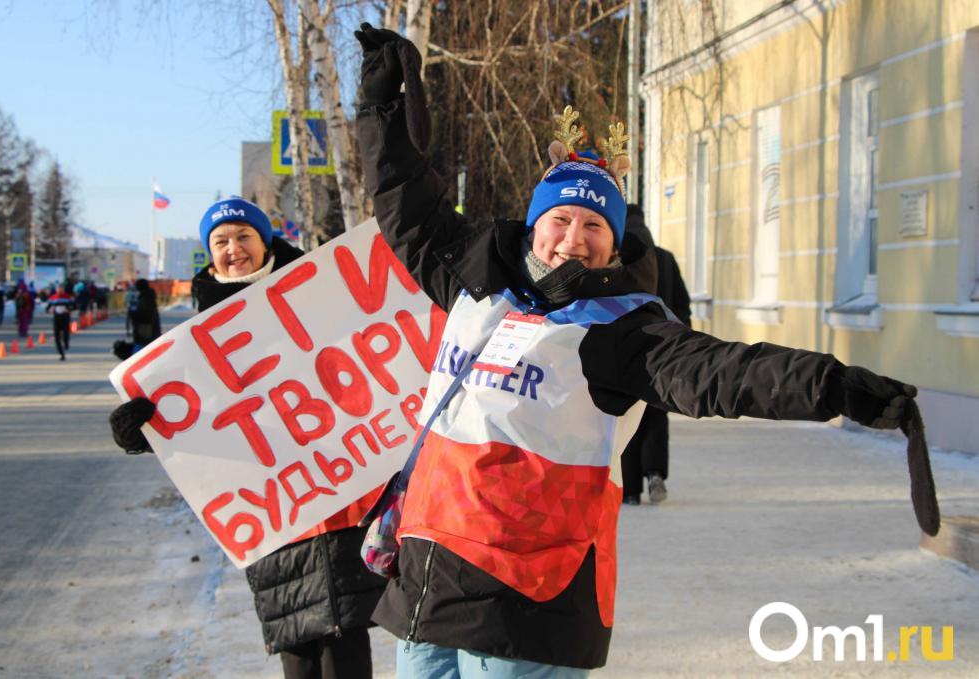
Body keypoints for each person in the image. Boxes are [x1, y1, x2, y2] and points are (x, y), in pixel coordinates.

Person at [353, 25, 926, 677]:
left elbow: (720, 372)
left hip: (524, 602)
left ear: (614, 244)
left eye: (595, 225)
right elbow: (405, 201)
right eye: (561, 219)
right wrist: (381, 106)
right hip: (426, 580)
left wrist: (832, 385)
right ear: (535, 224)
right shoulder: (477, 277)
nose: (574, 237)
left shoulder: (621, 328)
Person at [107, 197, 386, 679]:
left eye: (243, 236)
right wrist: (140, 429)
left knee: (345, 647)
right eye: (221, 241)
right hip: (274, 513)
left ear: (265, 241)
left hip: (338, 497)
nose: (233, 249)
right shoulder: (194, 338)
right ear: (209, 253)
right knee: (298, 649)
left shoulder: (320, 294)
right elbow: (194, 422)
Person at [620, 204, 691, 505]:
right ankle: (655, 472)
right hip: (664, 347)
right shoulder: (665, 258)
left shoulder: (618, 259)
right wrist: (681, 339)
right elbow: (682, 304)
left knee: (627, 415)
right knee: (657, 413)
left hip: (625, 349)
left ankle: (629, 490)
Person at [46, 284, 76, 360]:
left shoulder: (68, 297)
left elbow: (75, 306)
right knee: (56, 336)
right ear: (56, 290)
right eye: (58, 289)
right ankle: (61, 353)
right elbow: (47, 309)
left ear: (64, 290)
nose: (60, 290)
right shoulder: (53, 298)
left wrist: (69, 310)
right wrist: (50, 310)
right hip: (57, 318)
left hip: (65, 317)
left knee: (66, 333)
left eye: (61, 289)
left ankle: (66, 343)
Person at [129, 279, 161, 348]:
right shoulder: (147, 296)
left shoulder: (145, 298)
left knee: (142, 350)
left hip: (146, 333)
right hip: (149, 332)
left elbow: (145, 316)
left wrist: (133, 314)